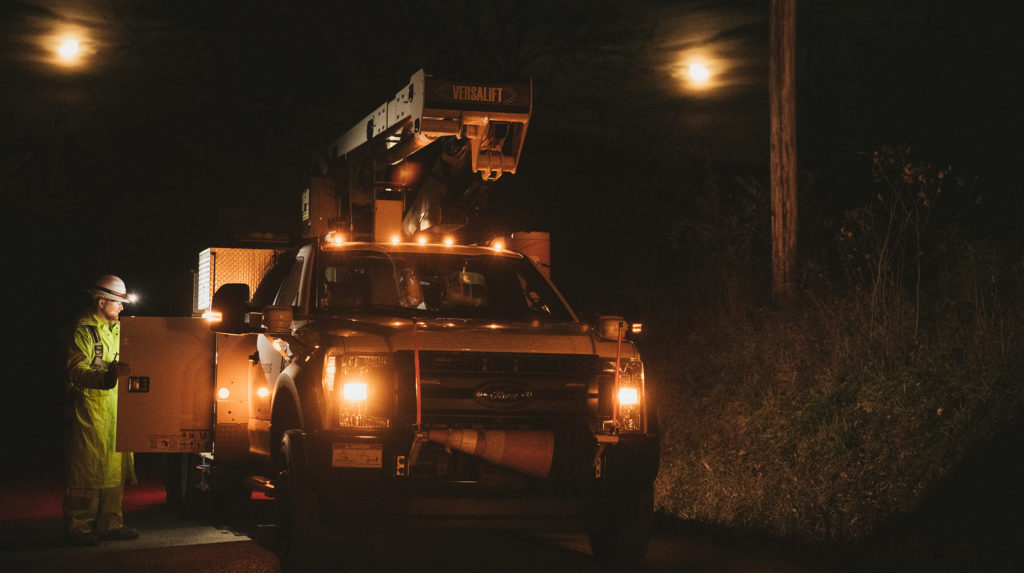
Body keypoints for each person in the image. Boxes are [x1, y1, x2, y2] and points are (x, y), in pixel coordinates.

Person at [63, 275, 139, 546]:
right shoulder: (82, 331)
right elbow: (77, 370)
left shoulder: (119, 329)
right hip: (90, 410)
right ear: (101, 302)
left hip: (116, 409)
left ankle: (110, 524)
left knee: (112, 468)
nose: (121, 308)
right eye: (117, 302)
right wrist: (108, 376)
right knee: (87, 469)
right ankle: (79, 527)